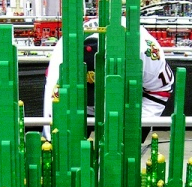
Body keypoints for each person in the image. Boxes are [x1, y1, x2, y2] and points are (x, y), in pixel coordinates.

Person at [43, 18, 174, 141]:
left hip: (127, 100)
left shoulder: (146, 53)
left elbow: (160, 90)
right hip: (80, 102)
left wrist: (136, 127)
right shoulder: (62, 55)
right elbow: (53, 107)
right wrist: (54, 140)